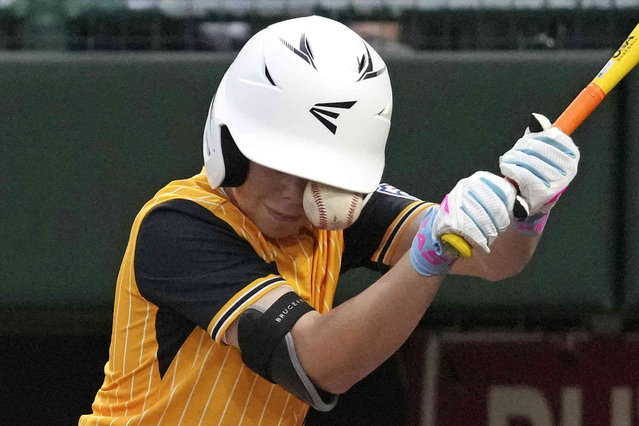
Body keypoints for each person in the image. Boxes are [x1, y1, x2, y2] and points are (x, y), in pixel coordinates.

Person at [79, 15, 579, 425]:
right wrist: (430, 255)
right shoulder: (178, 227)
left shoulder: (331, 209)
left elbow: (494, 261)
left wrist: (527, 209)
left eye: (319, 173)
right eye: (278, 162)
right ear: (232, 141)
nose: (293, 194)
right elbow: (316, 362)